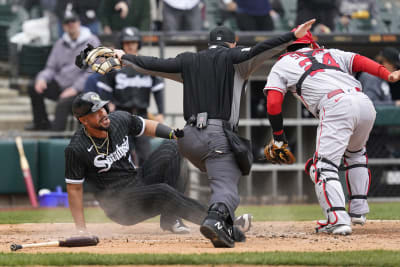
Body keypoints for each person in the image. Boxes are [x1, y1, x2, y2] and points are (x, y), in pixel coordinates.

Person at [112, 19, 315, 247]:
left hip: (187, 138)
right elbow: (263, 48)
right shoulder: (235, 57)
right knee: (227, 188)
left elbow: (153, 63)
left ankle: (212, 219)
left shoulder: (188, 60)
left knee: (197, 175)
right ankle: (217, 219)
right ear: (233, 43)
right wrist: (292, 35)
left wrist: (124, 57)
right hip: (215, 135)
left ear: (208, 44)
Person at [263, 30, 400, 235]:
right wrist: (386, 74)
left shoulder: (282, 63)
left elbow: (273, 104)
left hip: (335, 105)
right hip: (363, 102)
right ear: (311, 45)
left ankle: (337, 219)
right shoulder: (332, 52)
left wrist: (279, 137)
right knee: (356, 154)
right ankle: (358, 210)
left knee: (322, 166)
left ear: (287, 46)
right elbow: (360, 61)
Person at [65, 92, 251, 239]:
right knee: (162, 192)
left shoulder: (118, 120)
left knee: (173, 146)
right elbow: (74, 189)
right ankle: (222, 223)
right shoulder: (77, 148)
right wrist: (81, 230)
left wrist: (174, 134)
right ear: (83, 120)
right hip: (120, 205)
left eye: (102, 108)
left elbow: (145, 126)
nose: (103, 113)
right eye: (95, 111)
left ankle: (170, 220)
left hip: (136, 180)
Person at [97, 27, 165, 166]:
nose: (130, 45)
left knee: (144, 154)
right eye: (127, 42)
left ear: (138, 43)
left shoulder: (147, 64)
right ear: (121, 44)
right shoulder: (113, 66)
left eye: (133, 42)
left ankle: (144, 184)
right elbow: (104, 92)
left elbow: (158, 89)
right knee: (122, 153)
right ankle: (125, 185)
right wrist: (107, 109)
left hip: (142, 115)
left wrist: (161, 112)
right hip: (121, 115)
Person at [25, 11, 100, 131]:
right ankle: (41, 124)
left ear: (79, 23)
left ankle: (55, 135)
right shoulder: (59, 43)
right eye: (67, 22)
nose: (70, 24)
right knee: (33, 86)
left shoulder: (92, 41)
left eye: (73, 21)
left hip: (81, 89)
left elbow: (93, 71)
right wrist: (42, 78)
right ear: (63, 26)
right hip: (60, 83)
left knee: (63, 103)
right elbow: (51, 68)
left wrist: (74, 88)